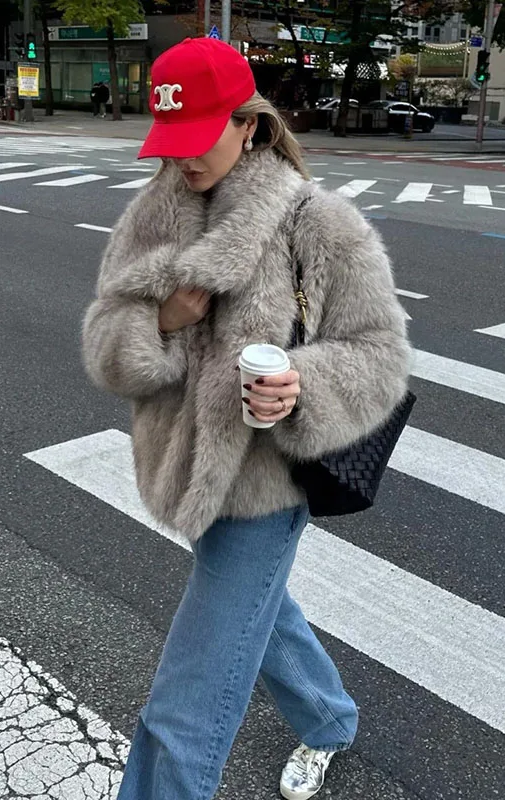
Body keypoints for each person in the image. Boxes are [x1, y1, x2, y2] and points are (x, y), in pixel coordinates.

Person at [82, 37, 411, 800]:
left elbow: (380, 352)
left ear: (250, 126)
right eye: (172, 142)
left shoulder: (317, 225)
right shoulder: (151, 219)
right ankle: (328, 717)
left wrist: (303, 386)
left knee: (180, 716)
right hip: (182, 469)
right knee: (262, 613)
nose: (184, 160)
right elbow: (105, 340)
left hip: (267, 485)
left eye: (199, 139)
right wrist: (159, 323)